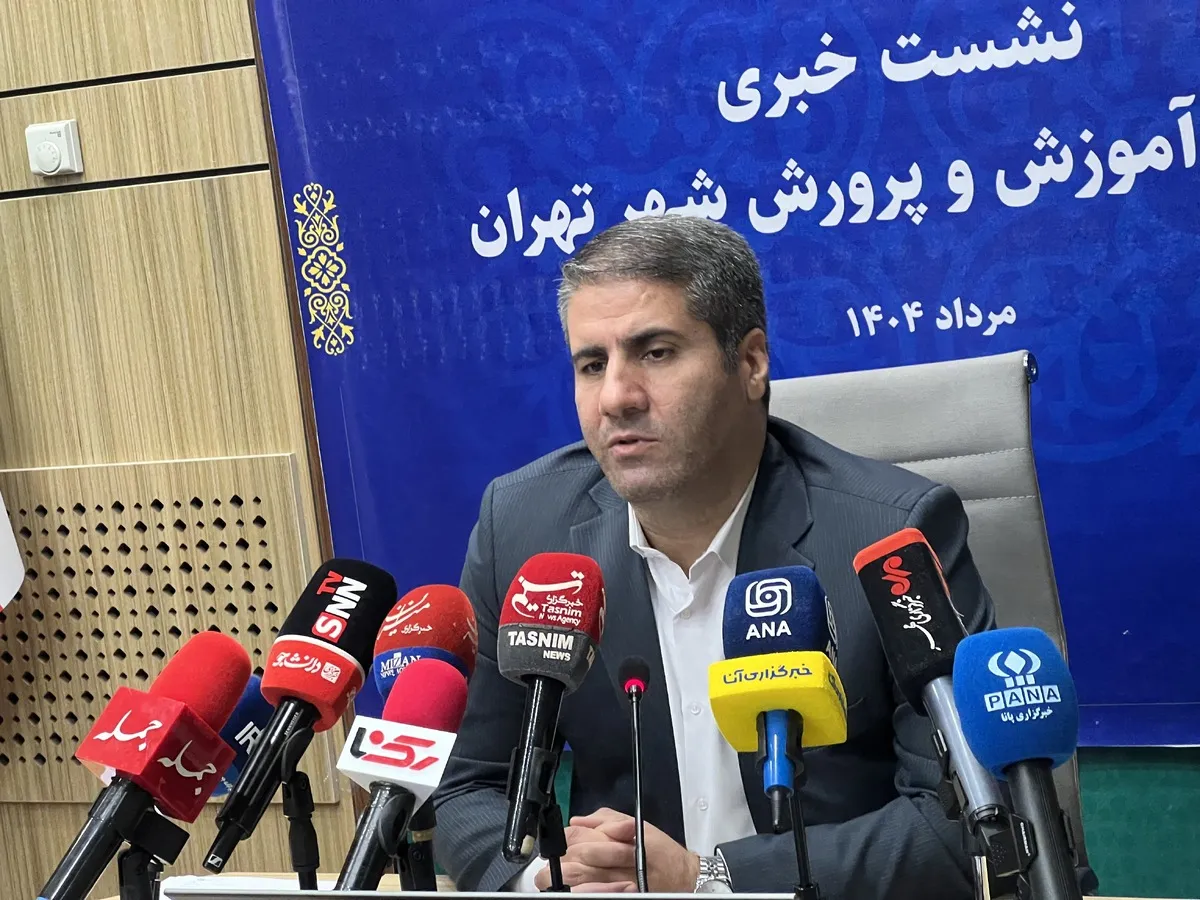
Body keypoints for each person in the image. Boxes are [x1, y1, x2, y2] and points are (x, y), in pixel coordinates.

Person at [432, 216, 993, 898]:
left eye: (656, 352)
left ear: (750, 363)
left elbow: (963, 820)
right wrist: (544, 881)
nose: (616, 397)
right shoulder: (525, 528)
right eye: (592, 364)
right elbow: (469, 783)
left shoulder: (892, 539)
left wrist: (708, 879)